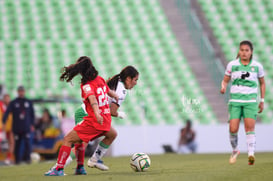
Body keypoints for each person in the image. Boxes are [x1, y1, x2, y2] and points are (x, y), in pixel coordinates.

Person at [47, 65, 139, 172]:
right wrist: (119, 114)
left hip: (95, 115)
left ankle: (93, 160)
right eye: (135, 80)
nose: (136, 83)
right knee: (80, 144)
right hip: (87, 114)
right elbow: (112, 111)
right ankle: (59, 167)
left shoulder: (116, 81)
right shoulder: (122, 90)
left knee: (112, 134)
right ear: (128, 79)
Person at [45, 56, 118, 176]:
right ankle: (80, 168)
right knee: (79, 141)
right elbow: (107, 90)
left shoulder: (87, 85)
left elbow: (93, 99)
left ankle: (58, 169)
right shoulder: (100, 79)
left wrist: (96, 113)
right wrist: (115, 95)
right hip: (105, 122)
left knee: (68, 139)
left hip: (95, 121)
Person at [220, 40, 265, 165]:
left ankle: (251, 154)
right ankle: (235, 150)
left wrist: (261, 100)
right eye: (242, 50)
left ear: (251, 52)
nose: (244, 53)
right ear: (239, 51)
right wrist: (223, 87)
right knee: (233, 128)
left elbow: (262, 83)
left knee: (249, 128)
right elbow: (225, 80)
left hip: (250, 101)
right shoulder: (232, 65)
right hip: (235, 101)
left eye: (246, 50)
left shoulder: (257, 66)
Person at [2, 86, 35, 164]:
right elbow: (7, 112)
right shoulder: (13, 102)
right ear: (18, 92)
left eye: (22, 91)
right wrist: (4, 120)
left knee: (28, 144)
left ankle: (28, 159)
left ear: (24, 92)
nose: (21, 92)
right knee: (17, 144)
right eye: (20, 91)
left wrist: (32, 124)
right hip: (17, 127)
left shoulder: (28, 102)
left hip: (26, 127)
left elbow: (32, 114)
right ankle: (17, 160)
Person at [1, 94, 14, 165]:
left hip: (9, 128)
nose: (7, 100)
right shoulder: (1, 106)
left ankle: (8, 158)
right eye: (6, 98)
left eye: (8, 98)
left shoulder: (12, 107)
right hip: (1, 128)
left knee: (11, 143)